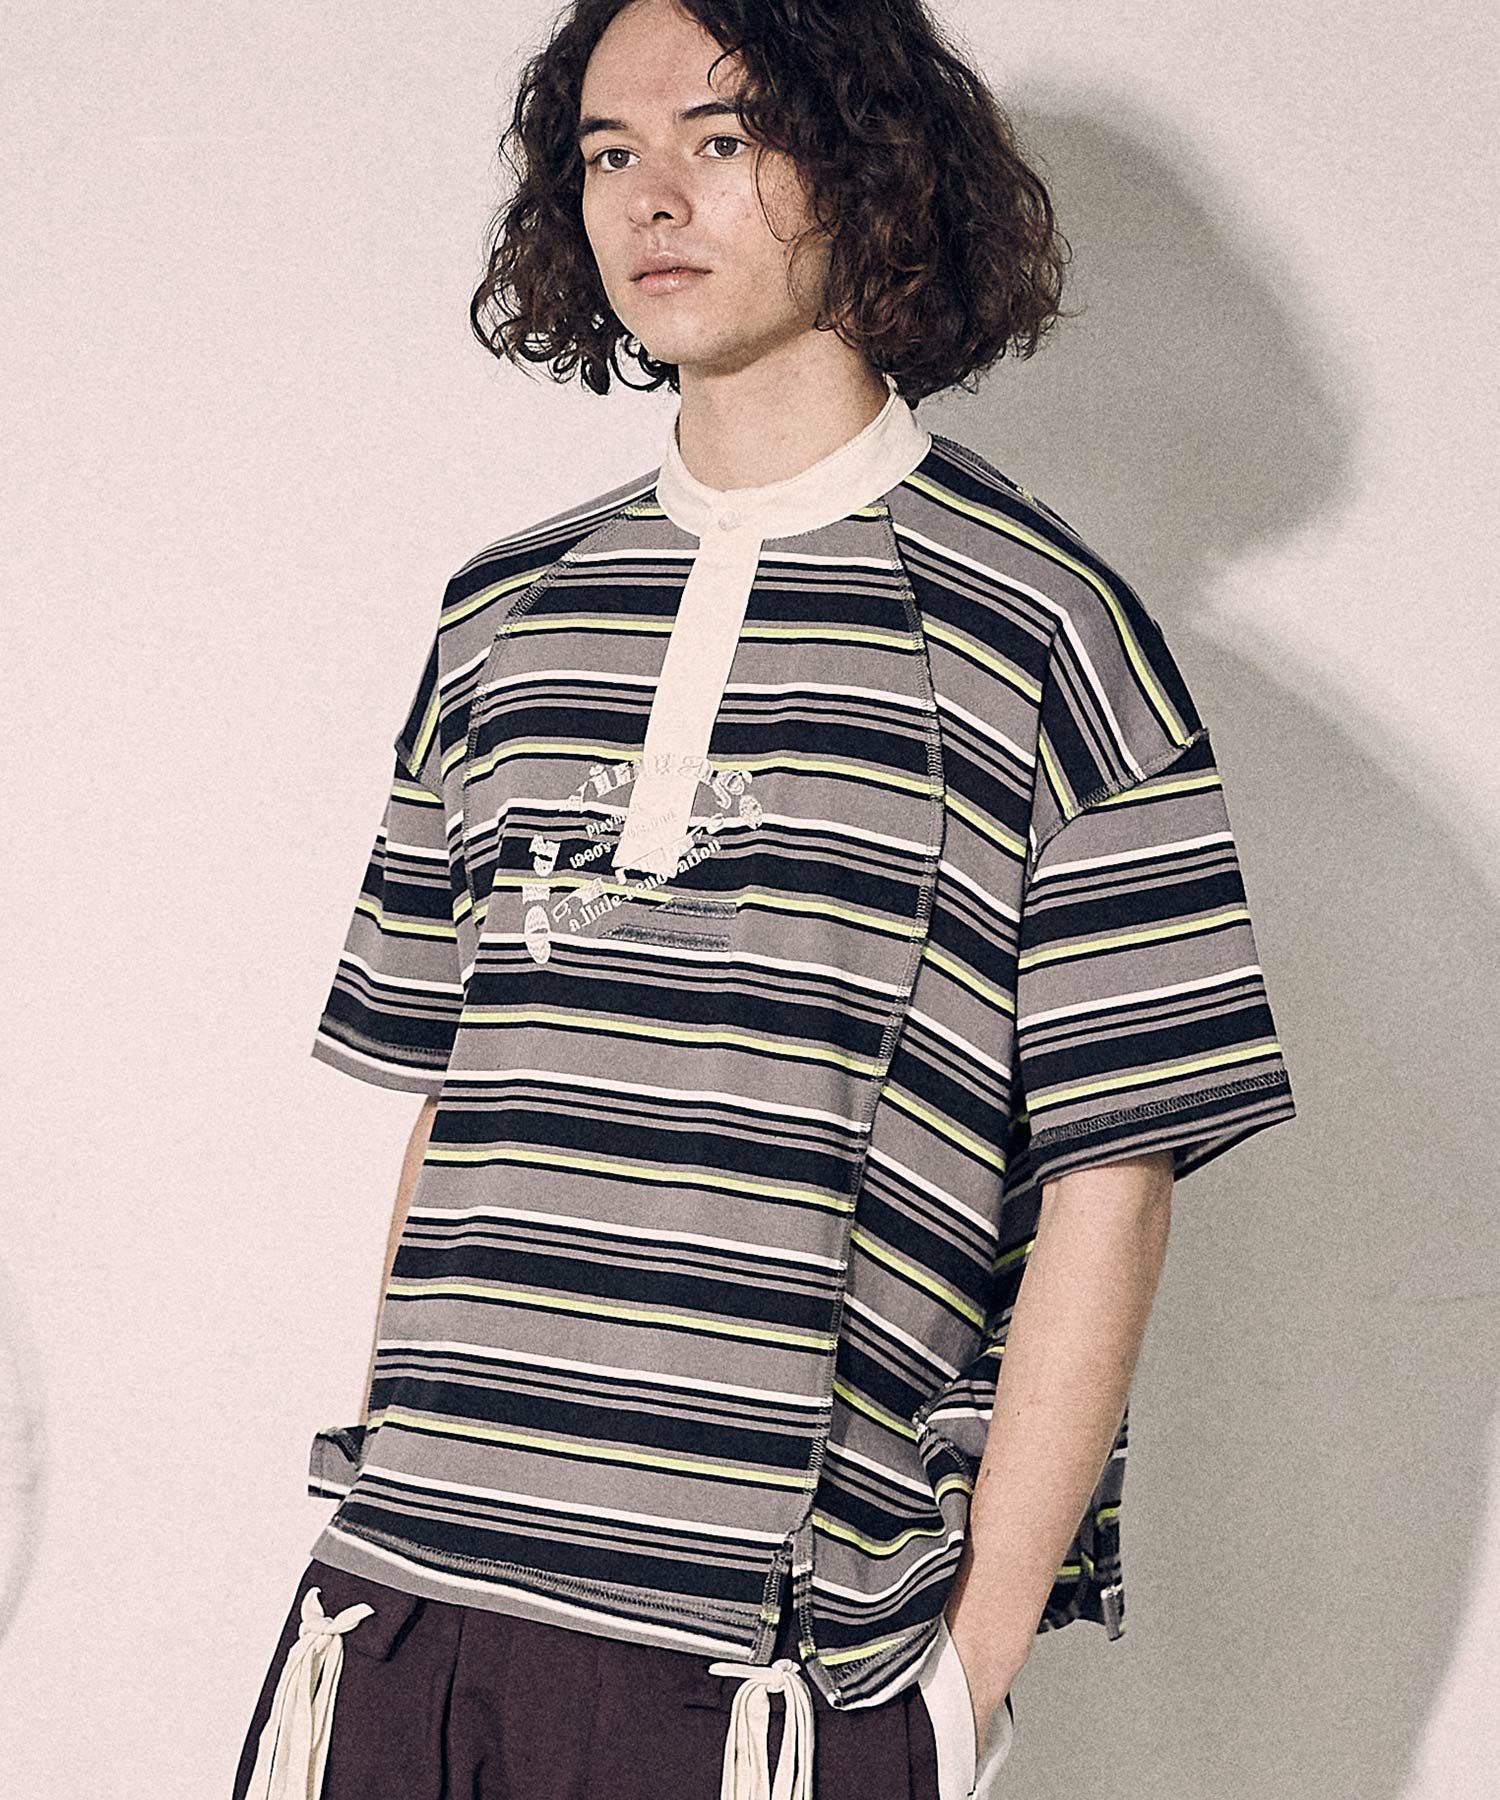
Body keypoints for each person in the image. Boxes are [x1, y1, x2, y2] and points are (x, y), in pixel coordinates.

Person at [233, 2, 1298, 1797]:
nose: (652, 198)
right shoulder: (504, 617)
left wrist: (970, 1676)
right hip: (411, 1606)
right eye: (607, 153)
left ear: (867, 169)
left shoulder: (1049, 639)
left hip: (769, 1658)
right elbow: (451, 1103)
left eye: (720, 141)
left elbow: (1113, 1185)